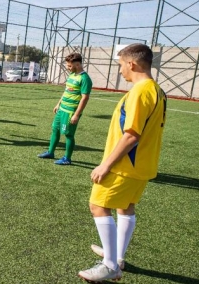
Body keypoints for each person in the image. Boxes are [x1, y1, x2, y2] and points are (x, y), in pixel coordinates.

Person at [77, 44, 167, 282]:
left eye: (120, 65)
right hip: (143, 166)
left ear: (132, 64)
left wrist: (105, 165)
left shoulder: (140, 91)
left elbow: (132, 134)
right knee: (125, 207)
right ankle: (116, 257)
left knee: (97, 205)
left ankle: (109, 266)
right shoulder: (156, 90)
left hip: (124, 166)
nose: (120, 72)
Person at [37, 53, 92, 165]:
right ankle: (50, 152)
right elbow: (66, 91)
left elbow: (85, 98)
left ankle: (67, 158)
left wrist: (76, 114)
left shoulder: (85, 78)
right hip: (62, 109)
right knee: (55, 129)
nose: (68, 68)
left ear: (77, 64)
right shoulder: (72, 75)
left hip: (71, 111)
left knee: (68, 134)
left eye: (70, 66)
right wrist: (58, 104)